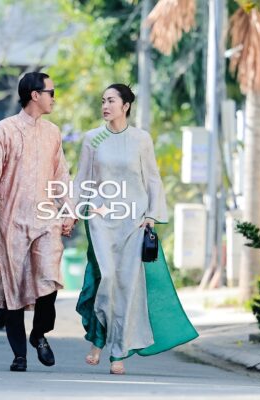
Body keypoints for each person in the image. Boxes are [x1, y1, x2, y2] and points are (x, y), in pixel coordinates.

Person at [72, 84, 198, 375]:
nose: (105, 106)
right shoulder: (93, 138)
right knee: (106, 278)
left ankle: (117, 351)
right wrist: (72, 213)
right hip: (101, 219)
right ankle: (98, 338)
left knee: (127, 286)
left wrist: (152, 216)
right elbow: (83, 180)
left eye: (111, 101)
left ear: (126, 105)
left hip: (133, 222)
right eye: (103, 101)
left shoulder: (141, 139)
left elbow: (152, 179)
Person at [0, 72, 74, 372]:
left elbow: (61, 175)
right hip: (11, 220)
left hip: (45, 219)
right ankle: (19, 355)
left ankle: (39, 333)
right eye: (51, 92)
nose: (54, 98)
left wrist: (69, 210)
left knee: (50, 277)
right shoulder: (5, 129)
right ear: (34, 95)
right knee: (12, 289)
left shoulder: (53, 132)